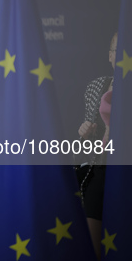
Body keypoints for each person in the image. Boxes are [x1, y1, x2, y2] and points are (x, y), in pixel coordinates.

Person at [76, 32, 117, 260]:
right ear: (110, 56)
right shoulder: (96, 87)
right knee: (93, 248)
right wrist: (85, 134)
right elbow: (84, 145)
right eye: (116, 50)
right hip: (99, 170)